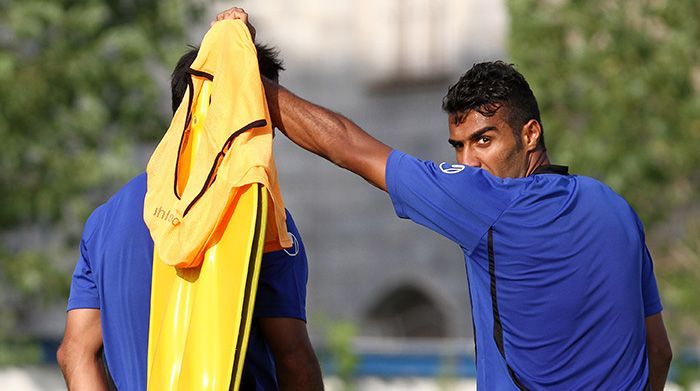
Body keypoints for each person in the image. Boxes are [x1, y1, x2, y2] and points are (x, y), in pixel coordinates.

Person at [215, 8, 673, 391]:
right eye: (459, 145)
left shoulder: (488, 201)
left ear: (530, 134)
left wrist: (248, 80)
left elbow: (349, 147)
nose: (469, 163)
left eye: (485, 140)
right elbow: (659, 351)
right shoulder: (617, 209)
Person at [56, 33, 324, 390]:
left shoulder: (105, 219)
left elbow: (75, 352)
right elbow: (292, 358)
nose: (270, 136)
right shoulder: (259, 213)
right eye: (267, 118)